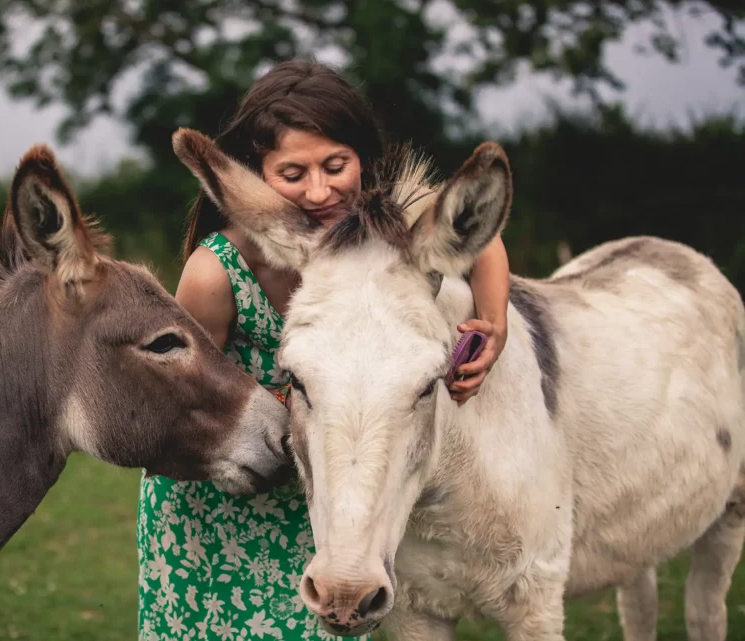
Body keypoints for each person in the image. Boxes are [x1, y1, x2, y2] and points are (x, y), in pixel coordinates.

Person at [137, 58, 510, 640]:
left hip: (324, 505)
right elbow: (175, 401)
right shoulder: (214, 275)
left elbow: (482, 241)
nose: (319, 191)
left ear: (363, 158)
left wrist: (495, 322)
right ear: (256, 176)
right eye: (292, 173)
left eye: (335, 166)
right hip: (222, 511)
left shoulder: (383, 235)